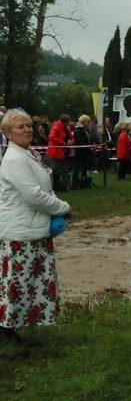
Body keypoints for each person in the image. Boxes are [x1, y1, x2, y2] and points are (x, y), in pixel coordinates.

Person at [0, 110, 72, 341]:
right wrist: (63, 208)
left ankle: (16, 326)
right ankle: (5, 330)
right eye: (20, 127)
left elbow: (42, 188)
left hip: (32, 230)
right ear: (8, 133)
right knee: (17, 284)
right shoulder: (14, 158)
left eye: (28, 125)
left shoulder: (27, 153)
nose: (27, 129)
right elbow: (34, 196)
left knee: (32, 282)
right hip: (20, 233)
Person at [46, 114, 72, 191]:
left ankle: (65, 186)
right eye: (68, 122)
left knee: (65, 169)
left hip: (64, 152)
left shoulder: (66, 128)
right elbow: (51, 137)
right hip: (56, 152)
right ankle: (51, 186)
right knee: (54, 170)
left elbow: (70, 136)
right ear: (64, 122)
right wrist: (62, 142)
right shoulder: (56, 127)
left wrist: (70, 141)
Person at [71, 115, 91, 190]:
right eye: (87, 122)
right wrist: (87, 147)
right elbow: (79, 142)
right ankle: (74, 184)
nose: (88, 123)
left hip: (85, 152)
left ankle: (83, 182)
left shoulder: (86, 130)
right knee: (76, 168)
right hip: (79, 152)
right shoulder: (77, 131)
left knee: (84, 168)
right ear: (83, 122)